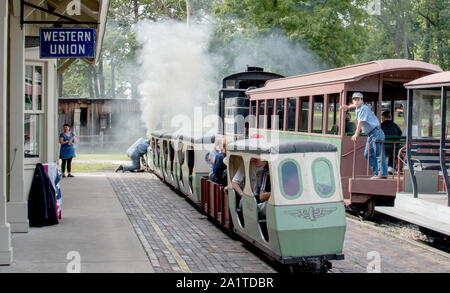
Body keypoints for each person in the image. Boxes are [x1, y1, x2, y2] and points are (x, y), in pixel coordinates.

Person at [342, 92, 388, 179]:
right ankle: (377, 173)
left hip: (376, 132)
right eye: (354, 100)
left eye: (358, 100)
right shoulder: (358, 107)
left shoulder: (364, 108)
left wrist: (356, 134)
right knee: (367, 154)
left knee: (379, 153)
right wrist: (347, 107)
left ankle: (382, 173)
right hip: (371, 134)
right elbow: (354, 105)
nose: (356, 101)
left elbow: (360, 122)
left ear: (362, 101)